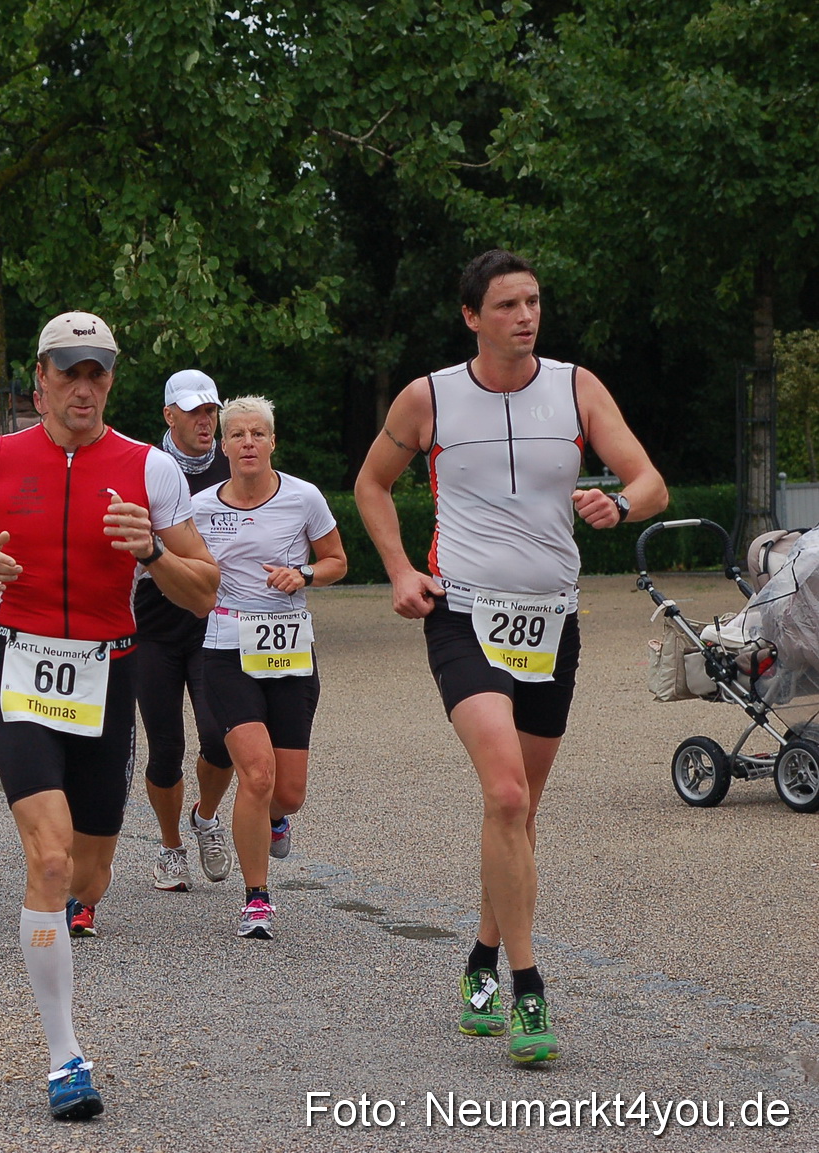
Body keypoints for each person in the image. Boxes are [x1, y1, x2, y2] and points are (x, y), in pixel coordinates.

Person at [354, 249, 668, 1065]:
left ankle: (482, 958)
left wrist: (620, 503)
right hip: (463, 615)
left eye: (532, 302)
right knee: (503, 790)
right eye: (506, 305)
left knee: (518, 813)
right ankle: (529, 989)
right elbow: (370, 484)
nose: (525, 316)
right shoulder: (428, 397)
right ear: (471, 316)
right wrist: (400, 569)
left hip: (551, 621)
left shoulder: (577, 387)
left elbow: (650, 482)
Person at [0, 312, 217, 1121]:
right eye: (69, 371)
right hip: (21, 669)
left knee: (86, 873)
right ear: (41, 381)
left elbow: (205, 587)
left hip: (108, 674)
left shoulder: (151, 470)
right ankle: (65, 1056)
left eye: (98, 372)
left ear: (111, 381)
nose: (84, 387)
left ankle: (86, 892)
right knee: (49, 861)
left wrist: (152, 552)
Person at [194, 397, 346, 940]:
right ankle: (256, 900)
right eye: (237, 434)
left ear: (273, 442)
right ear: (224, 445)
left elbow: (337, 562)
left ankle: (275, 818)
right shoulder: (199, 507)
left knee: (287, 793)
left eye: (258, 433)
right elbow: (181, 570)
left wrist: (303, 574)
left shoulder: (304, 497)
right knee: (256, 774)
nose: (248, 443)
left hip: (289, 650)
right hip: (226, 649)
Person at [134, 369, 236, 894]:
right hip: (152, 627)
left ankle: (205, 817)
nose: (205, 421)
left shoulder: (233, 465)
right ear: (168, 415)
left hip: (213, 621)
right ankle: (171, 846)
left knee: (222, 738)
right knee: (166, 746)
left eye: (210, 411)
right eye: (194, 412)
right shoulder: (145, 468)